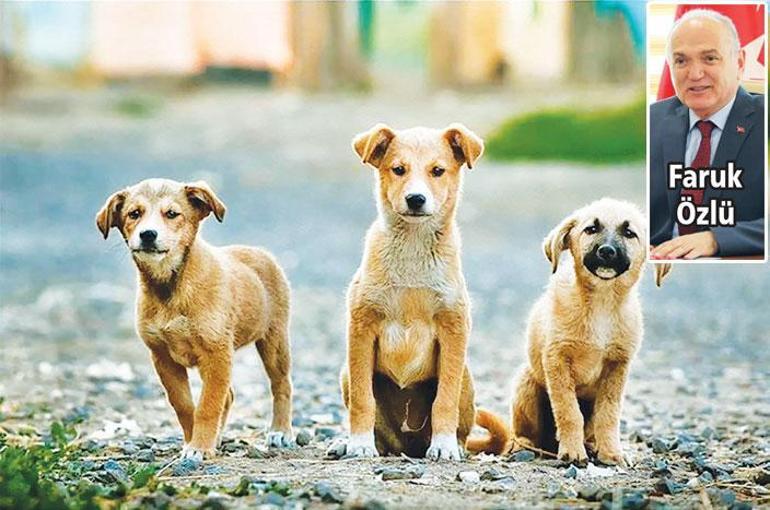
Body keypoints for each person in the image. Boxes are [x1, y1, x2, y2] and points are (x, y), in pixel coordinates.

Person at [649, 9, 765, 259]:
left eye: (710, 59)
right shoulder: (652, 121)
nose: (695, 74)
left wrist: (717, 240)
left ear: (740, 63)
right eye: (681, 61)